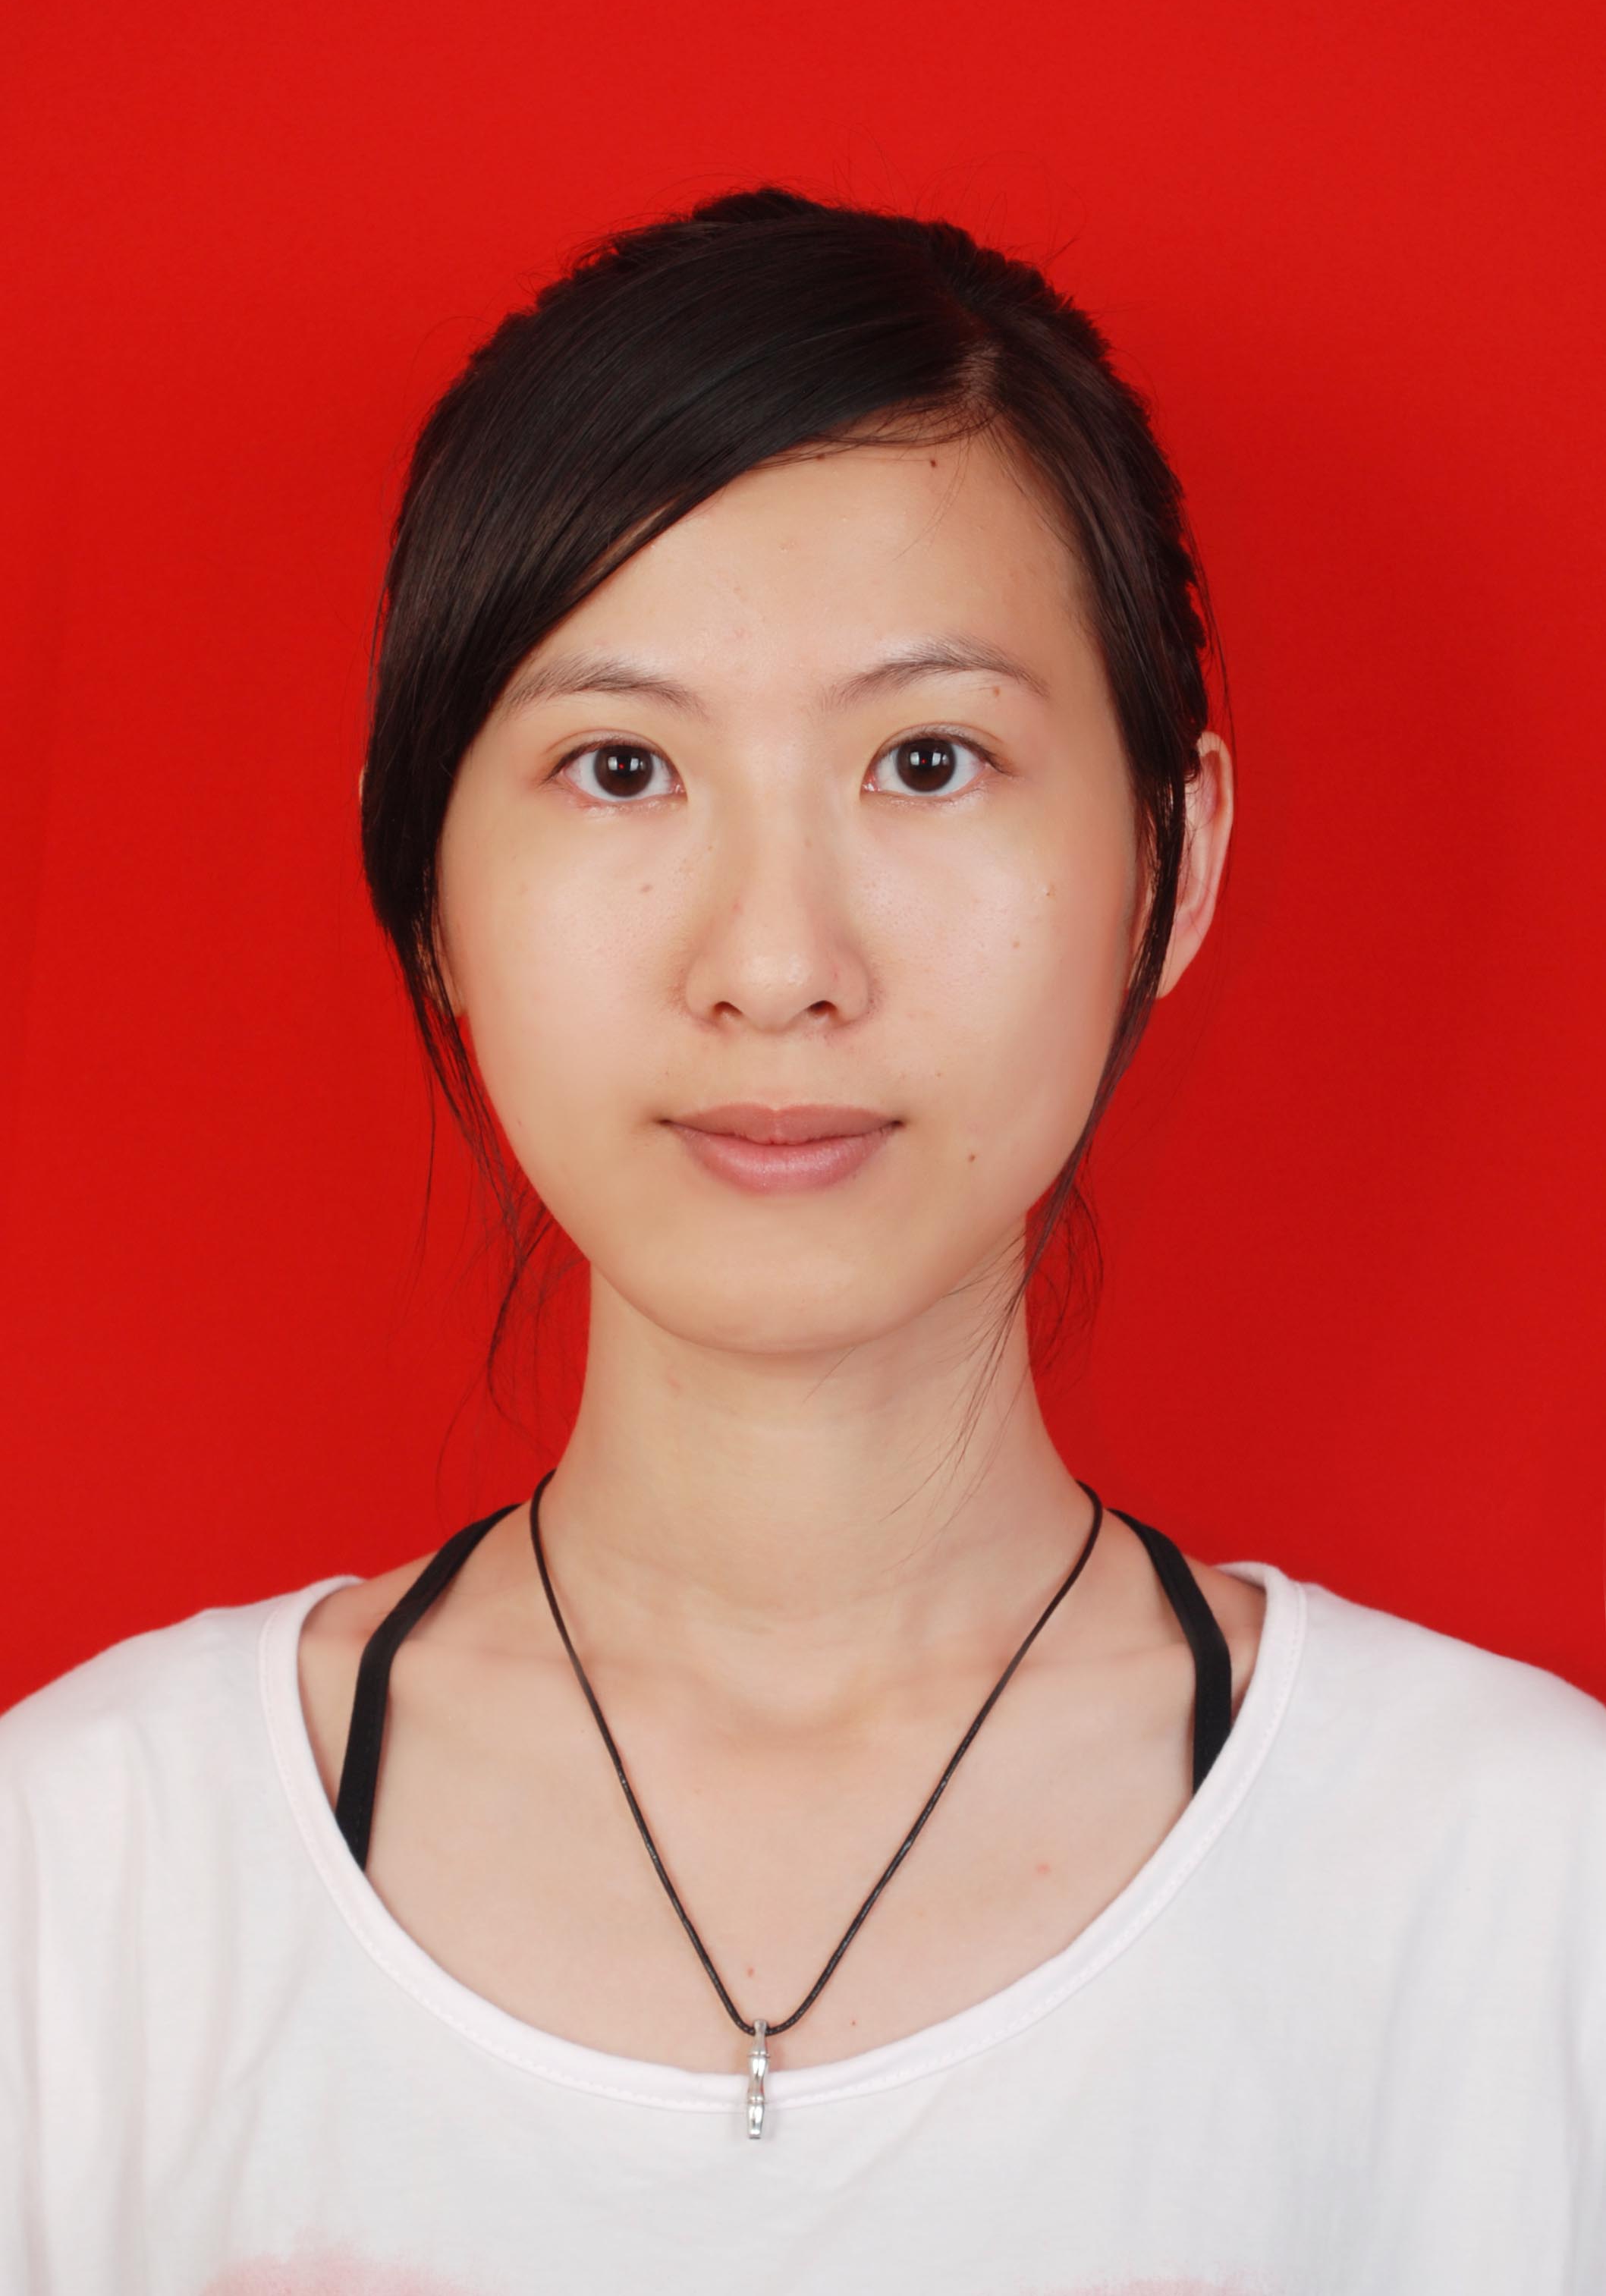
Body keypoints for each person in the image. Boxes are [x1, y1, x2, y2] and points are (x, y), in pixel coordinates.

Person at [2, 185, 1602, 2296]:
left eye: (927, 761)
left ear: (1172, 862)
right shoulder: (83, 1888)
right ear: (431, 890)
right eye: (621, 766)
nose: (775, 963)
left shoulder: (1526, 1893)